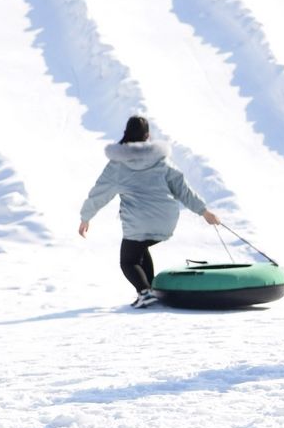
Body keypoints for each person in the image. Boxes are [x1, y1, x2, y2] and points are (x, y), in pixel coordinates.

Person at [79, 114, 219, 306]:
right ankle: (151, 290)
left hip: (138, 221)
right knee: (140, 248)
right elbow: (182, 189)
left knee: (128, 261)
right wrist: (204, 211)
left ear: (126, 134)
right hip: (166, 219)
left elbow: (99, 193)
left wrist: (86, 217)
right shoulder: (162, 160)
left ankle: (144, 293)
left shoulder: (117, 165)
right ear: (147, 135)